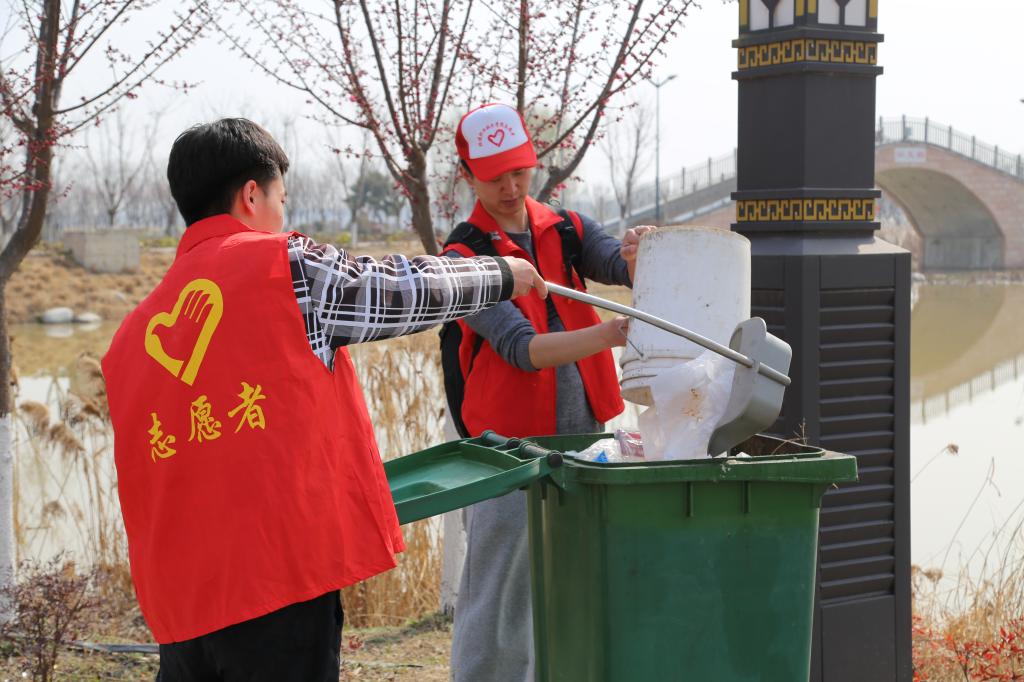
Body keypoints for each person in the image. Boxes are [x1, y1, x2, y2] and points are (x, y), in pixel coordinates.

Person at [100, 118, 546, 682]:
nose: (282, 215)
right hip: (276, 585)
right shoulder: (284, 267)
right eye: (281, 199)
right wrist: (501, 273)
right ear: (252, 194)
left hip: (181, 606)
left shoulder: (130, 337)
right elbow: (400, 290)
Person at [442, 103, 653, 681]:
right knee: (500, 595)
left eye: (520, 171)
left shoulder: (567, 228)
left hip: (584, 440)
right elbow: (521, 348)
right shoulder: (463, 260)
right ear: (468, 176)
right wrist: (609, 334)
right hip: (506, 451)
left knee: (574, 579)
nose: (511, 188)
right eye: (495, 177)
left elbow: (619, 265)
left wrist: (641, 253)